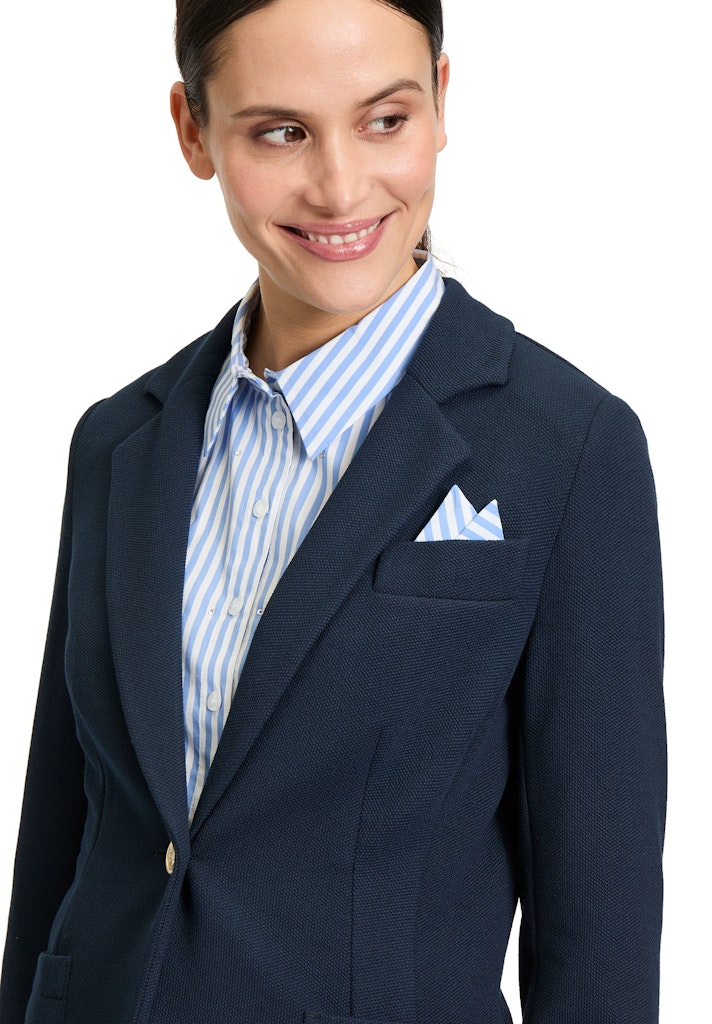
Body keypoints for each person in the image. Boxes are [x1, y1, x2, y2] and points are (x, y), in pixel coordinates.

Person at [0, 0, 666, 1022]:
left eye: (385, 120)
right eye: (280, 131)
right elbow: (60, 836)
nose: (341, 186)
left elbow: (598, 930)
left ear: (441, 100)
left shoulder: (568, 449)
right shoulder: (117, 444)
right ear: (192, 130)